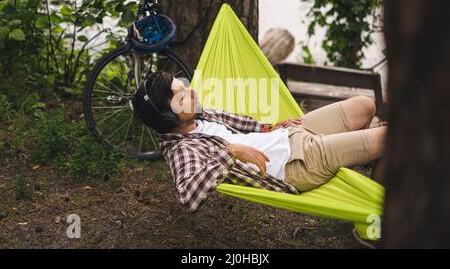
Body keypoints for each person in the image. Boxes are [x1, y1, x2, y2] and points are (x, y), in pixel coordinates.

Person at [132, 71, 387, 212]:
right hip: (297, 163)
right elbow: (187, 196)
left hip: (291, 134)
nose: (193, 92)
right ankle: (373, 215)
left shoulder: (199, 115)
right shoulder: (183, 149)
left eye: (185, 86)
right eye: (181, 96)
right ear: (167, 119)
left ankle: (358, 160)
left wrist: (269, 127)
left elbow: (240, 122)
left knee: (364, 106)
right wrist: (230, 152)